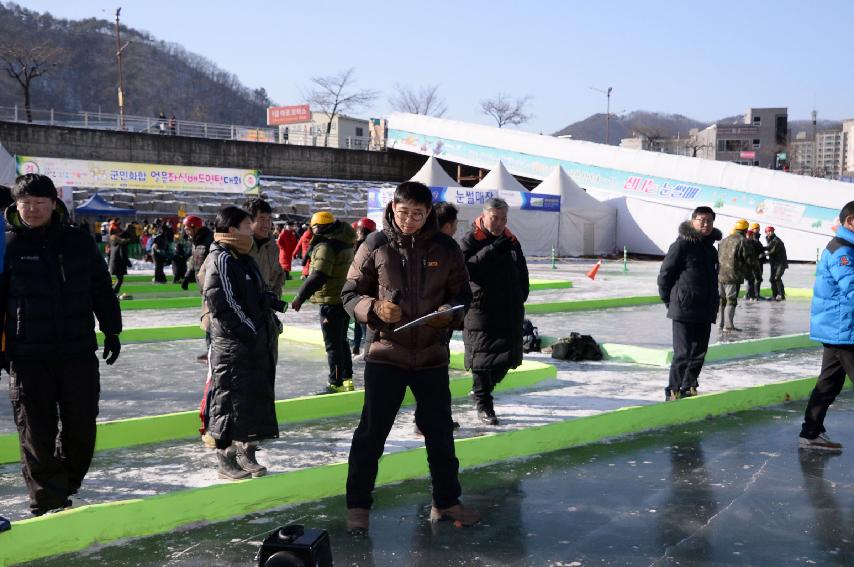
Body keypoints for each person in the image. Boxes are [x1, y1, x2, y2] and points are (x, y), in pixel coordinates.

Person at [341, 181, 479, 532]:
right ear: (393, 208)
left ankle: (446, 502)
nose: (410, 220)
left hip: (431, 357)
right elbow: (349, 294)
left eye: (418, 213)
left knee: (440, 435)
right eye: (404, 212)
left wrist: (452, 310)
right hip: (386, 356)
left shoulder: (446, 248)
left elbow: (464, 293)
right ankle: (358, 506)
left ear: (428, 212)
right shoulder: (375, 244)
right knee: (371, 434)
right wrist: (373, 308)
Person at [1, 174, 122, 515]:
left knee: (81, 429)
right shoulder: (7, 245)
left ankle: (66, 484)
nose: (33, 210)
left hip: (77, 352)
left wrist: (112, 329)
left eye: (40, 203)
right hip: (28, 355)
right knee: (36, 432)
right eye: (26, 203)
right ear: (16, 205)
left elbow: (100, 287)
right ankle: (47, 499)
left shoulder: (77, 242)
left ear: (54, 204)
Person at [201, 206, 285, 479]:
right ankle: (225, 457)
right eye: (248, 226)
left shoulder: (244, 258)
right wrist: (250, 330)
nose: (253, 230)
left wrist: (272, 306)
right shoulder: (221, 259)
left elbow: (260, 291)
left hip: (255, 342)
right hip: (234, 345)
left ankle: (246, 451)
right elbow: (222, 303)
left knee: (253, 398)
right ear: (233, 229)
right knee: (228, 400)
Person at [460, 197, 529, 425]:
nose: (499, 223)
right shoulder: (471, 239)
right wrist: (490, 250)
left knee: (507, 359)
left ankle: (482, 390)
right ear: (484, 215)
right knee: (482, 360)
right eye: (495, 218)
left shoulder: (511, 240)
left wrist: (521, 294)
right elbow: (465, 270)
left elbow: (522, 269)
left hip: (508, 309)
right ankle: (484, 403)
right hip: (481, 310)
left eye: (503, 218)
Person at [798, 201, 854, 452]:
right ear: (850, 221)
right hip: (843, 330)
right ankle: (810, 433)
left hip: (839, 329)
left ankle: (810, 433)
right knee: (829, 384)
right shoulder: (842, 251)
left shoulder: (846, 247)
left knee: (829, 384)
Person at [657, 206, 721, 401]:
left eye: (709, 220)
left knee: (699, 352)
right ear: (693, 221)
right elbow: (665, 276)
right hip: (684, 308)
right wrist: (671, 301)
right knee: (683, 353)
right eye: (701, 220)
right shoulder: (681, 245)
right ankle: (673, 389)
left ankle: (689, 385)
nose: (705, 224)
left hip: (705, 307)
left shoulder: (710, 249)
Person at [291, 211, 356, 393]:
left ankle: (334, 382)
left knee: (333, 345)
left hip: (331, 300)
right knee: (341, 341)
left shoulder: (326, 245)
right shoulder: (343, 241)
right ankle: (346, 379)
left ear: (318, 227)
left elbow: (319, 275)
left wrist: (300, 297)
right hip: (343, 298)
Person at [716, 219, 755, 332]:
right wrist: (754, 271)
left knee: (722, 300)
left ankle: (720, 324)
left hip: (720, 275)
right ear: (745, 229)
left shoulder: (723, 240)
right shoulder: (743, 241)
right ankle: (728, 326)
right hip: (733, 276)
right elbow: (749, 259)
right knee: (731, 300)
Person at [244, 198, 285, 299]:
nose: (267, 224)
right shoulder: (238, 246)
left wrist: (273, 298)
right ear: (248, 221)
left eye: (269, 219)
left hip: (264, 311)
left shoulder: (272, 246)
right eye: (262, 219)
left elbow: (278, 275)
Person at [351, 217, 376, 356]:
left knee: (359, 319)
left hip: (358, 287)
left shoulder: (357, 245)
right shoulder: (372, 245)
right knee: (366, 322)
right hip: (367, 288)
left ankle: (357, 346)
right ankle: (366, 349)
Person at [108, 220, 131, 296]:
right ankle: (113, 293)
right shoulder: (122, 244)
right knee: (120, 280)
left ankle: (112, 292)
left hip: (114, 263)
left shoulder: (114, 242)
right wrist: (128, 263)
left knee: (118, 279)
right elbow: (123, 255)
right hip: (119, 264)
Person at [765, 226, 788, 300]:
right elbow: (768, 247)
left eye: (771, 231)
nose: (770, 233)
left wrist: (763, 254)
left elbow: (772, 250)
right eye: (768, 231)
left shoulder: (776, 240)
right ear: (766, 232)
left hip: (781, 263)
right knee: (772, 279)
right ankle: (774, 295)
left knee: (777, 277)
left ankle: (781, 295)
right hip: (774, 263)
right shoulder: (769, 239)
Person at [743, 224, 765, 300]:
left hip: (756, 262)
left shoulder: (755, 239)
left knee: (752, 279)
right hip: (755, 263)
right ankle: (754, 295)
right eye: (756, 229)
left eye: (758, 229)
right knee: (755, 279)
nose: (758, 230)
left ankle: (750, 295)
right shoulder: (752, 240)